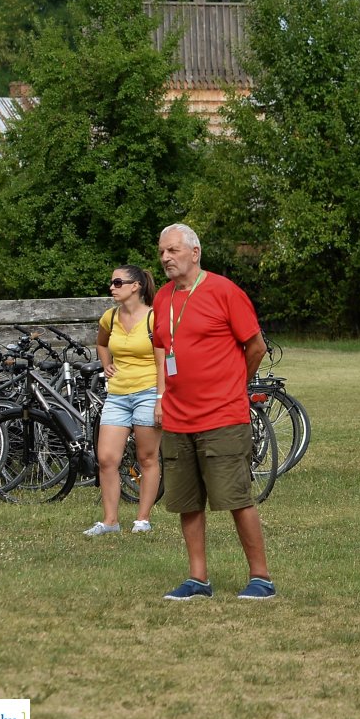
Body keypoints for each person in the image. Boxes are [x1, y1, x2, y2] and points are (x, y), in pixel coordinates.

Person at [150, 224, 274, 601]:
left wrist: (237, 384)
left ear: (195, 253)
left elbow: (255, 346)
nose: (166, 258)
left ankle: (261, 578)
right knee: (187, 501)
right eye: (161, 253)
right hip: (177, 416)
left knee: (235, 497)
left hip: (222, 416)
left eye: (173, 250)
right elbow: (162, 349)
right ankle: (198, 578)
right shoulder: (163, 299)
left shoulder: (224, 291)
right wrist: (160, 395)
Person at [85, 264, 163, 537]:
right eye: (112, 282)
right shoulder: (110, 317)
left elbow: (165, 361)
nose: (112, 287)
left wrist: (161, 399)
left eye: (118, 283)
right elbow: (102, 343)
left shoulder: (155, 318)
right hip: (117, 395)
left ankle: (143, 518)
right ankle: (110, 521)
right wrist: (106, 365)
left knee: (147, 457)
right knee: (107, 458)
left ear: (136, 286)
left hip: (148, 392)